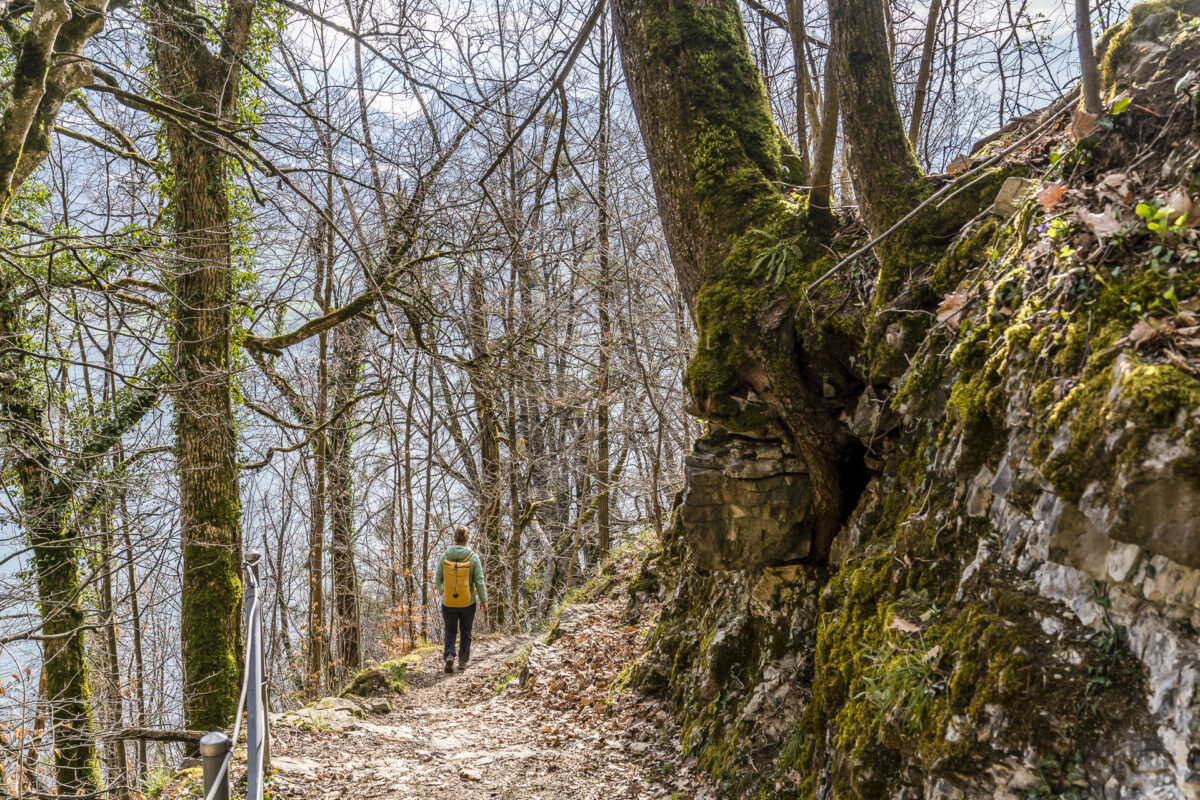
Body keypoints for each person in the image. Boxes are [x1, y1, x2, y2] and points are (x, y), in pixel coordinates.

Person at [434, 525, 488, 673]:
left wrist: (442, 588)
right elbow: (479, 581)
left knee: (450, 630)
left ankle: (450, 655)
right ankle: (463, 661)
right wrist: (483, 600)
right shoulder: (473, 557)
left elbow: (437, 579)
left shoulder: (445, 556)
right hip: (467, 602)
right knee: (466, 631)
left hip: (448, 602)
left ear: (454, 538)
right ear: (467, 539)